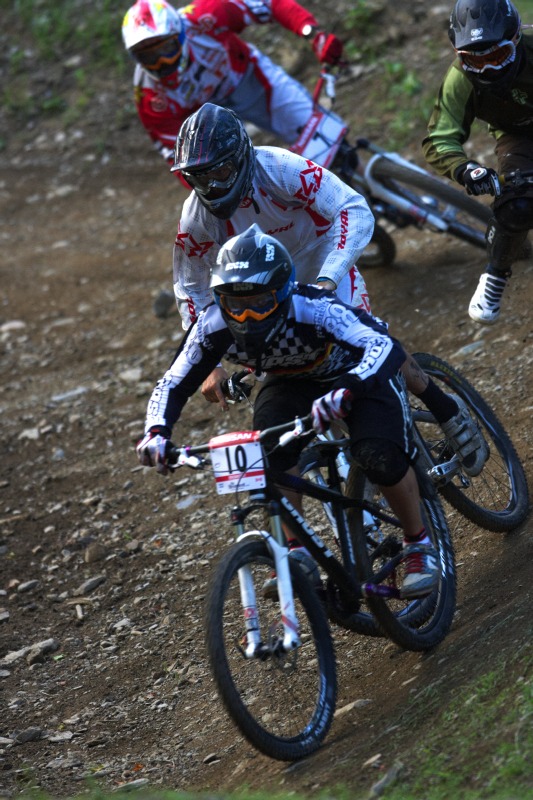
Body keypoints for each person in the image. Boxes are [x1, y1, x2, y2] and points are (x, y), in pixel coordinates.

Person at [168, 102, 489, 477]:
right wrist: (212, 365)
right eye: (198, 178)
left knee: (365, 339)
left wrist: (328, 280)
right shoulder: (197, 218)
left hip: (322, 259)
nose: (211, 186)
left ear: (241, 157)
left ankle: (444, 407)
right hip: (268, 292)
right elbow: (190, 285)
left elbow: (353, 209)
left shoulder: (279, 169)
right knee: (287, 371)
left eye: (219, 172)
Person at [137, 224, 440, 598]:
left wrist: (352, 387)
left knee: (377, 453)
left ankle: (419, 544)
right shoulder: (211, 326)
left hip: (354, 375)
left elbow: (383, 346)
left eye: (260, 304)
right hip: (290, 382)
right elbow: (174, 383)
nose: (246, 318)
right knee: (270, 453)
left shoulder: (312, 306)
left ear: (282, 294)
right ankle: (296, 553)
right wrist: (156, 432)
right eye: (234, 304)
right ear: (218, 299)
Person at [121, 0, 343, 173]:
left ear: (180, 33)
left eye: (166, 48)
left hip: (248, 79)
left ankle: (365, 172)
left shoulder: (205, 15)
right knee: (236, 181)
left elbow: (267, 4)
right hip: (205, 119)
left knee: (329, 142)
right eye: (148, 56)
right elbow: (178, 157)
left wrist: (313, 34)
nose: (162, 62)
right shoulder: (149, 98)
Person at [422, 0, 533, 325]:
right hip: (519, 136)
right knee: (515, 204)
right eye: (473, 59)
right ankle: (495, 276)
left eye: (496, 56)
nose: (487, 69)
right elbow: (439, 137)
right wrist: (465, 169)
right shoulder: (460, 79)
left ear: (514, 40)